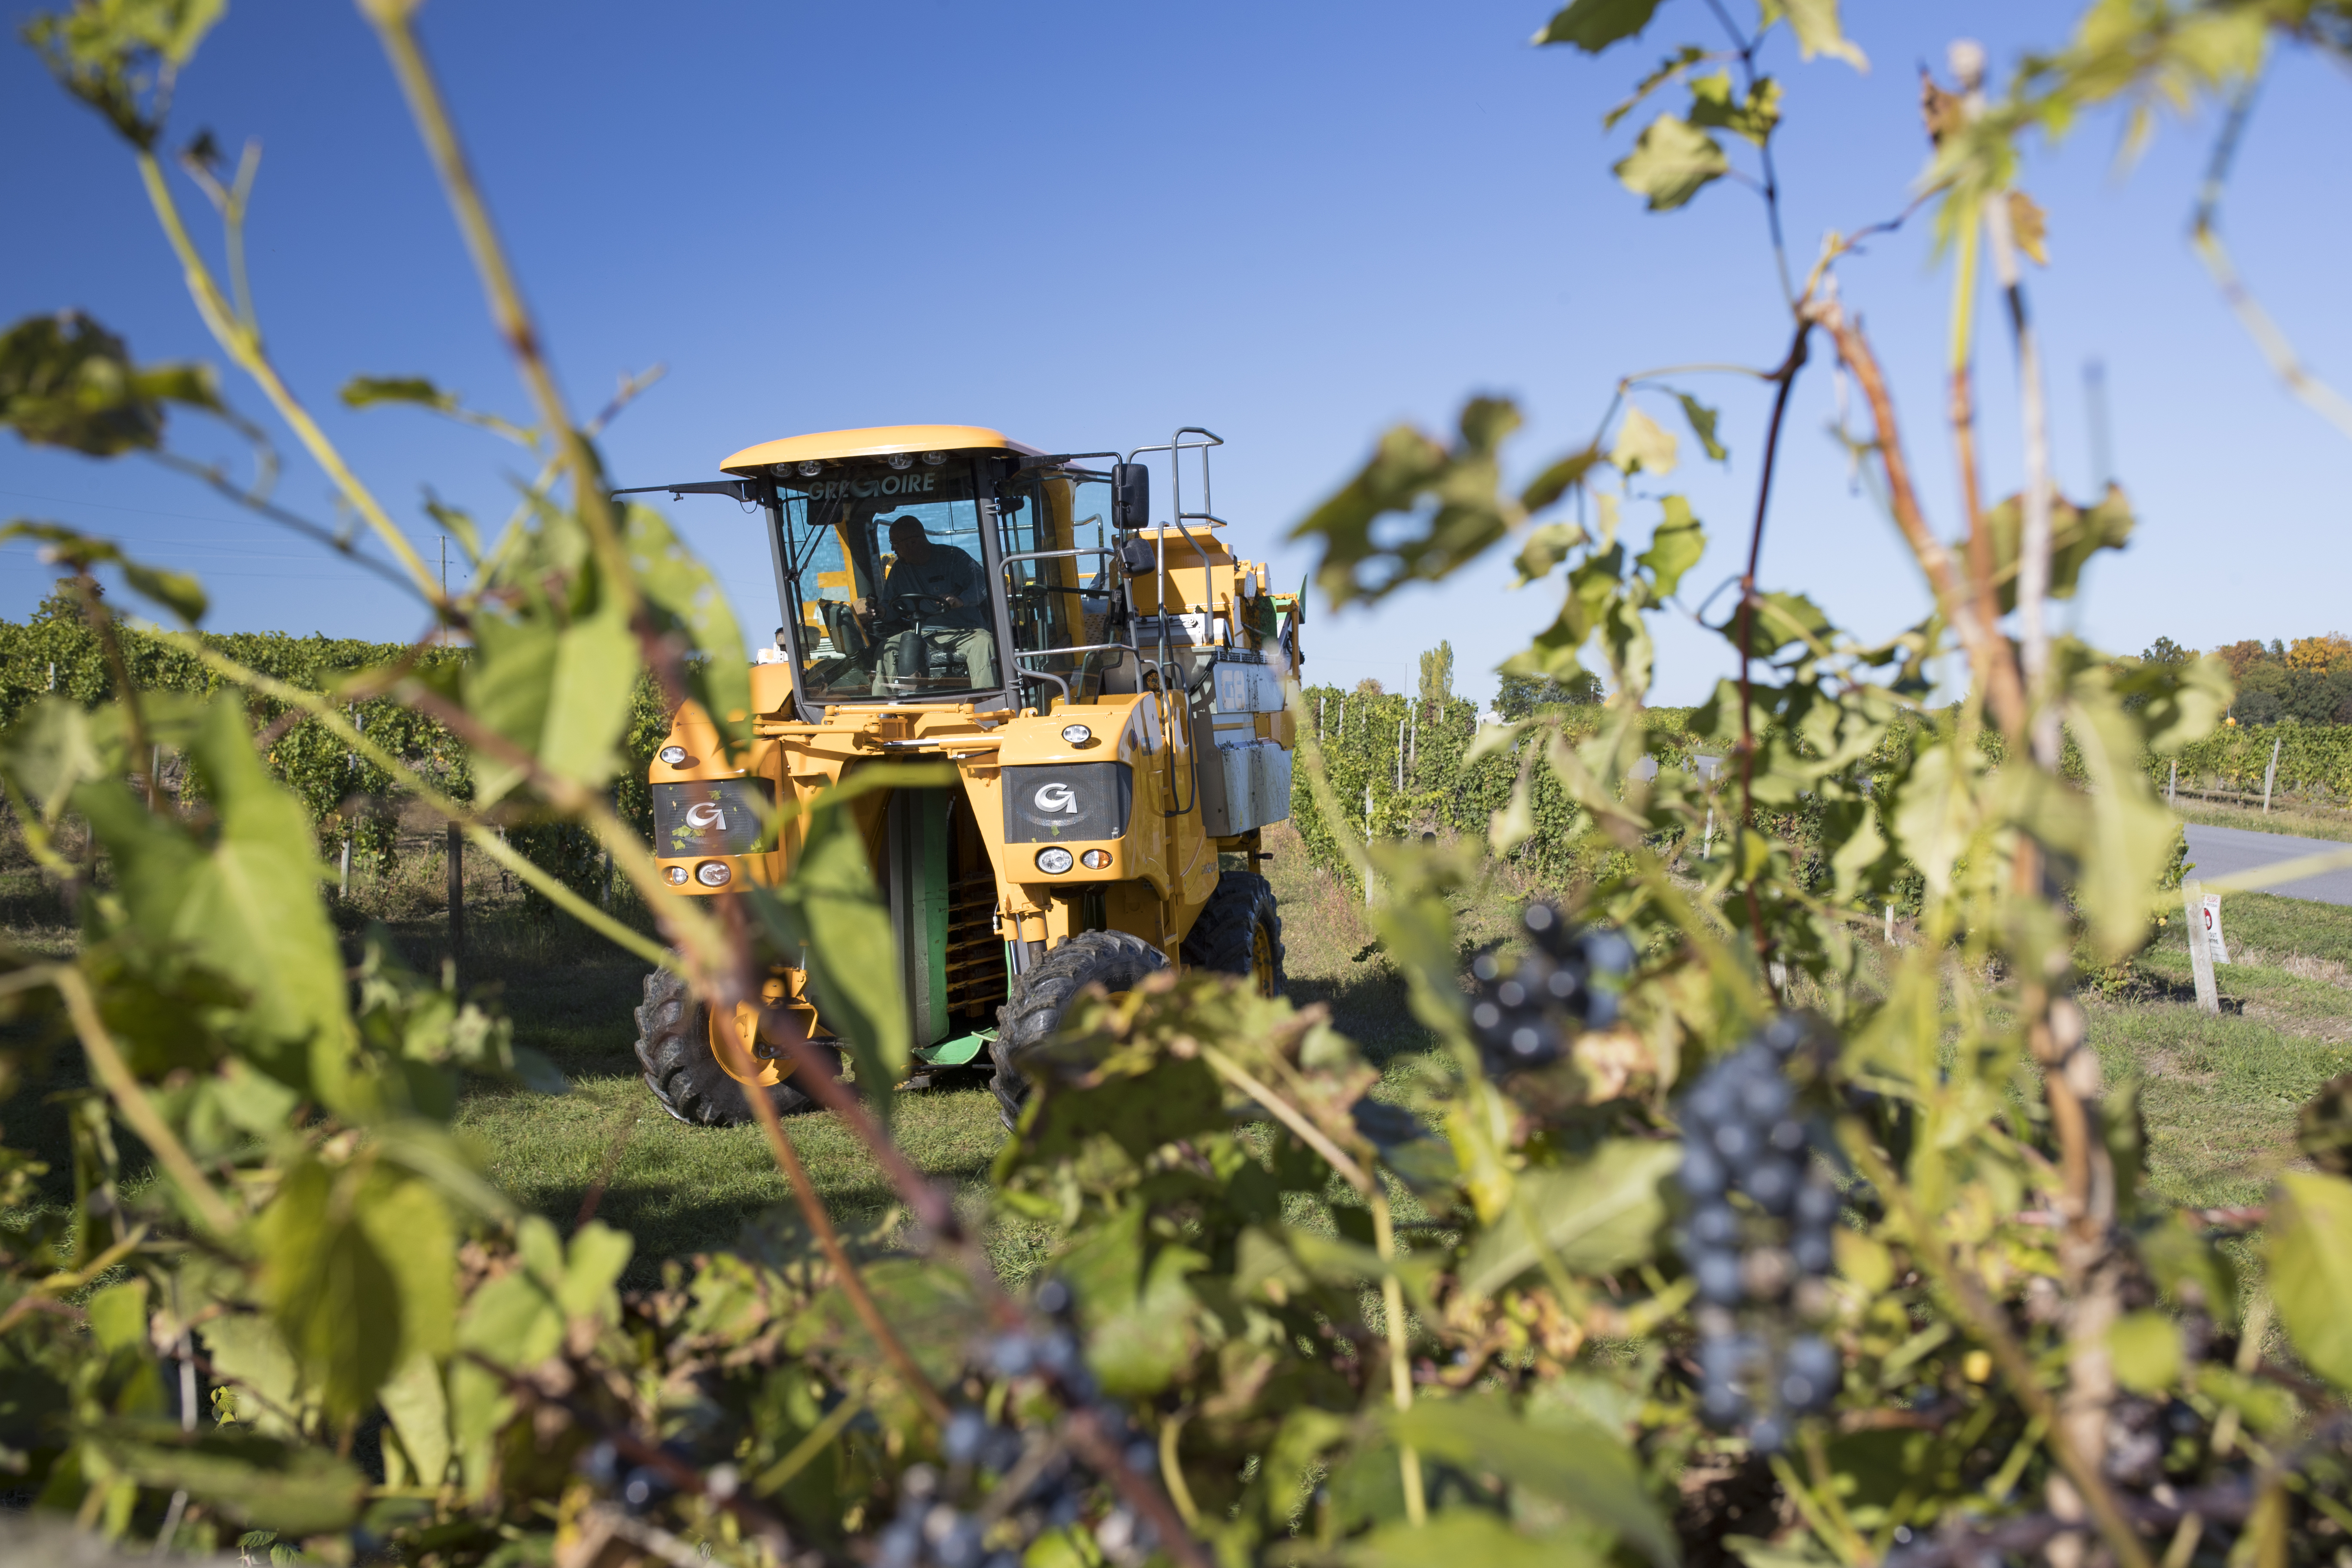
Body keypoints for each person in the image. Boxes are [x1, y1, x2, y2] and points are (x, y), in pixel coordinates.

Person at [858, 515, 997, 691]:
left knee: (984, 642)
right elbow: (890, 605)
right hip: (924, 633)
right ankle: (884, 707)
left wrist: (961, 601)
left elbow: (984, 582)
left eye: (895, 543)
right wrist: (881, 611)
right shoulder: (900, 570)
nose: (893, 549)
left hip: (964, 631)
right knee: (886, 647)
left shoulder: (953, 558)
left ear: (914, 542)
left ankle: (987, 699)